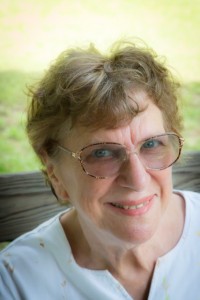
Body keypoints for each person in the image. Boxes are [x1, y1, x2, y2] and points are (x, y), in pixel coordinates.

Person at [0, 39, 200, 300]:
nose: (138, 180)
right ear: (55, 174)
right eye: (102, 153)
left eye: (151, 144)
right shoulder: (16, 282)